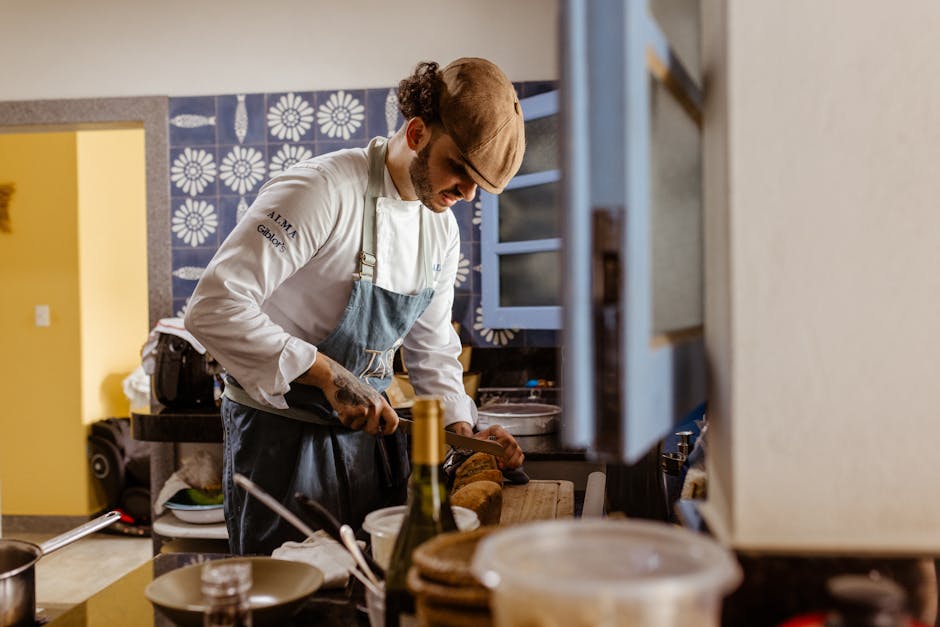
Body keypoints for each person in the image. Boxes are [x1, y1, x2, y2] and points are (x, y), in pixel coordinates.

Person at [184, 57, 527, 555]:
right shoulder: (320, 191)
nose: (467, 194)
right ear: (416, 133)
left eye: (481, 185)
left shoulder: (440, 229)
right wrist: (325, 373)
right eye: (459, 169)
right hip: (280, 447)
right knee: (292, 600)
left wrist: (463, 432)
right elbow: (213, 307)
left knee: (371, 586)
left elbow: (432, 351)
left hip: (368, 451)